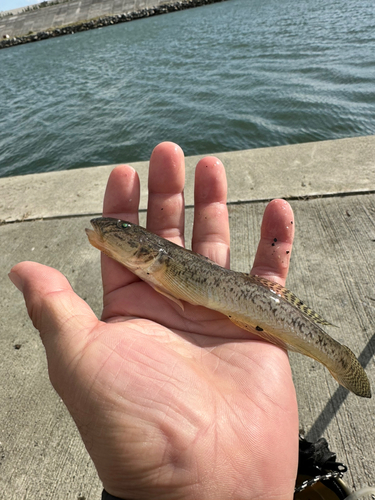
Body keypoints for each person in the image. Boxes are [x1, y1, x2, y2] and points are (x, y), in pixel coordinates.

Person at [9, 142, 299, 500]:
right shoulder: (150, 262)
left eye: (116, 236)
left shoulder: (157, 260)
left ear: (146, 253)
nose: (107, 235)